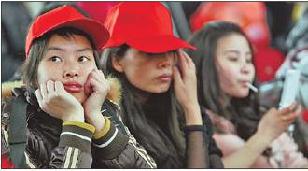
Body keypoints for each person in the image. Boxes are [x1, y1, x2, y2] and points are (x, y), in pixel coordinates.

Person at [1, 5, 155, 168]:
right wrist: (73, 120)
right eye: (55, 59)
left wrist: (96, 119)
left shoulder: (103, 108)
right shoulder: (8, 121)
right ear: (32, 74)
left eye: (82, 58)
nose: (72, 71)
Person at [101, 2, 223, 168]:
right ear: (117, 60)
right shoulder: (105, 119)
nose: (165, 61)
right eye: (151, 52)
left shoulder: (182, 105)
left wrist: (191, 108)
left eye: (171, 49)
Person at [186, 21, 304, 168]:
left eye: (248, 60)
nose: (246, 68)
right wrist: (266, 134)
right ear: (205, 64)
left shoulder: (253, 112)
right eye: (234, 59)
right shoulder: (198, 124)